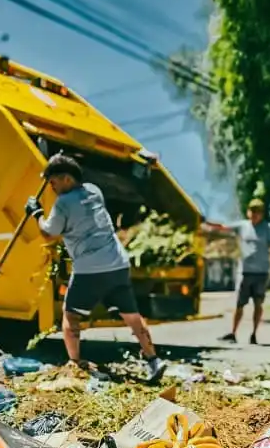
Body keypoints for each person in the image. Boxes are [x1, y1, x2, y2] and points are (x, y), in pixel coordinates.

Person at [26, 153, 166, 381]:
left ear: (67, 179)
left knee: (70, 317)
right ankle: (153, 361)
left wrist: (36, 213)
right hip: (118, 264)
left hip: (90, 269)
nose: (51, 187)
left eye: (53, 182)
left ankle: (75, 365)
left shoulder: (63, 203)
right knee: (132, 315)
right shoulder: (94, 190)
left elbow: (48, 234)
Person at [220, 198, 270, 344]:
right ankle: (233, 333)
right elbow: (223, 227)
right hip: (245, 271)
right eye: (252, 211)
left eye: (257, 212)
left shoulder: (268, 228)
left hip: (261, 272)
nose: (254, 215)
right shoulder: (243, 226)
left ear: (262, 214)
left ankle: (254, 334)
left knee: (258, 303)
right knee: (240, 304)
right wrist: (206, 222)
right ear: (248, 212)